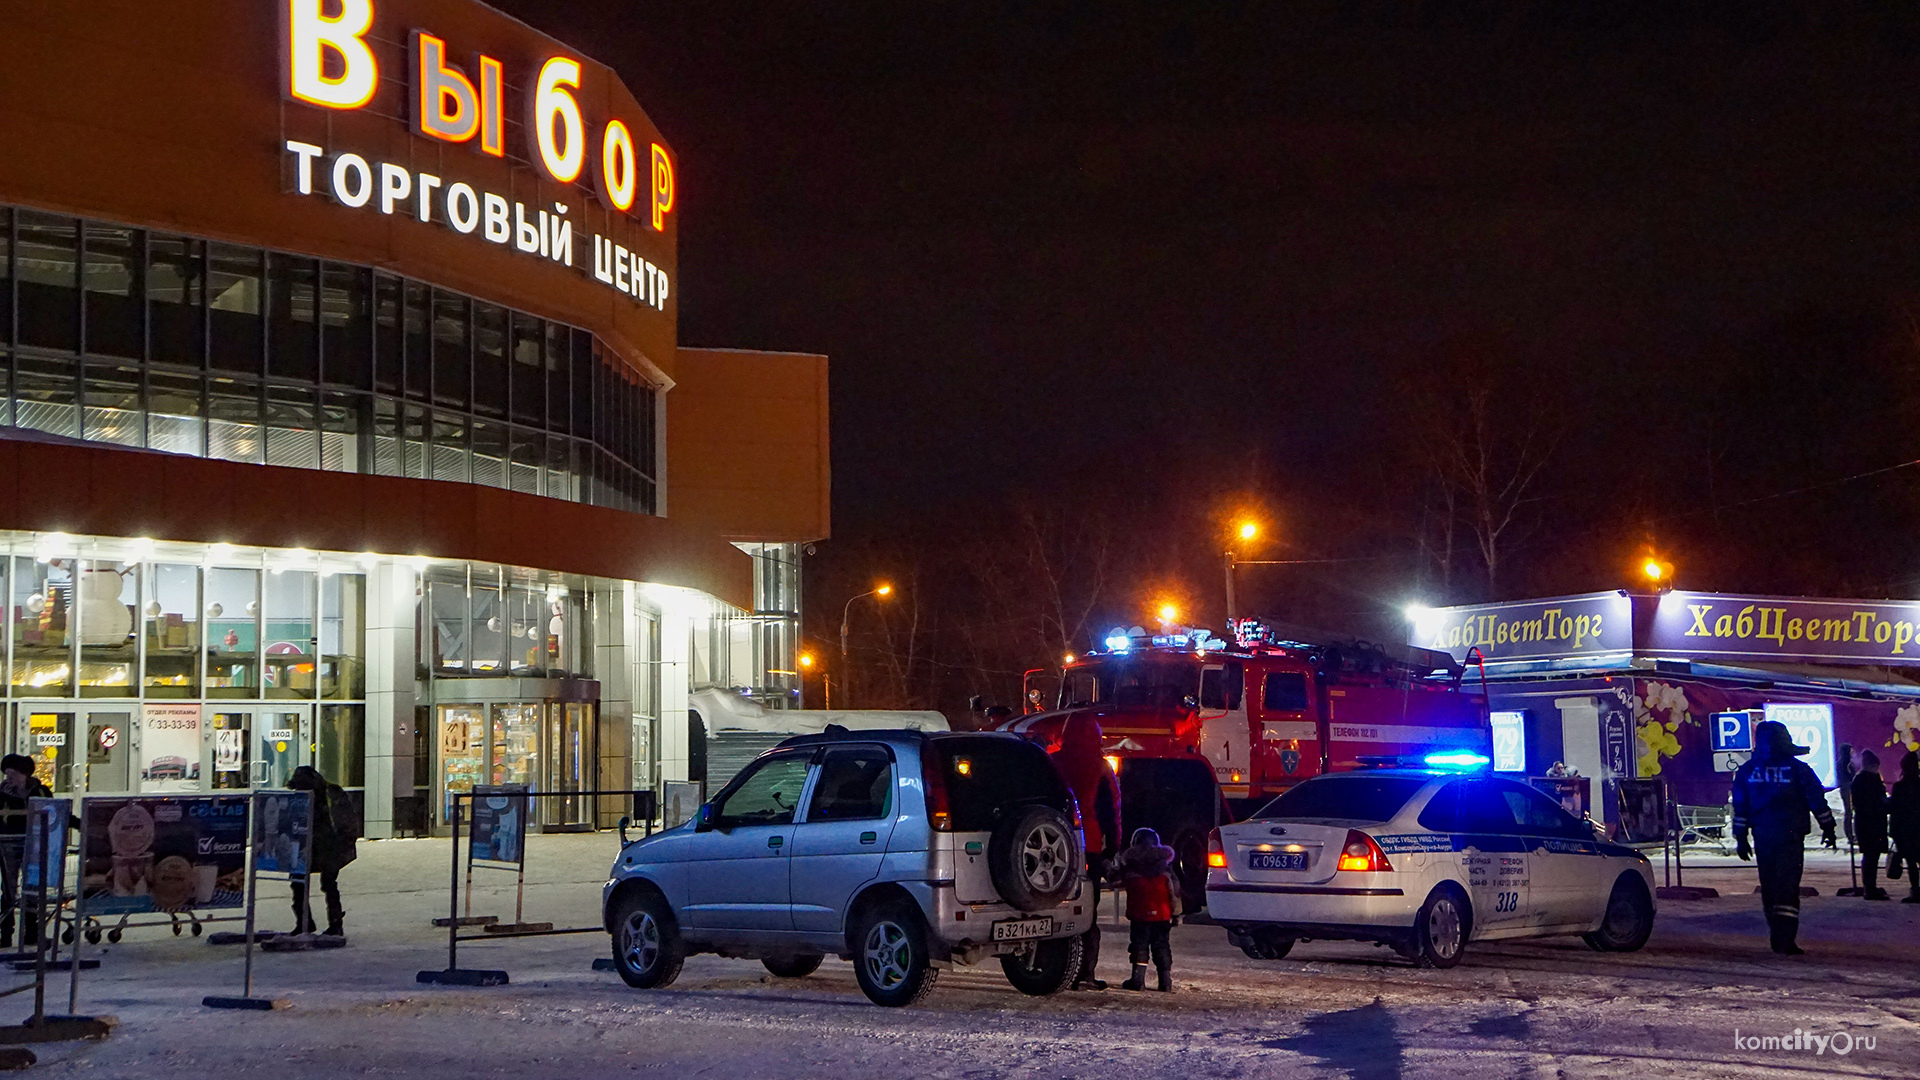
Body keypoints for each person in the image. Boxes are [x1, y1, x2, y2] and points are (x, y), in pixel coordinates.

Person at [1732, 720, 1838, 955]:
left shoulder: (1748, 771)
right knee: (1787, 887)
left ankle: (1776, 934)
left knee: (1770, 886)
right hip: (1790, 835)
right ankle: (1785, 939)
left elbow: (1740, 806)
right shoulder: (1798, 770)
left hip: (1763, 836)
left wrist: (1741, 837)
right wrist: (1828, 828)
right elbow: (1817, 801)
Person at [1048, 714, 1118, 991]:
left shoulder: (1053, 762)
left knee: (1055, 906)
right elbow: (1112, 811)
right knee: (1087, 911)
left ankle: (1055, 966)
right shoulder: (1100, 768)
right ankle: (1085, 972)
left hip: (1055, 846)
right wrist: (1112, 847)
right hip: (1089, 847)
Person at [287, 765, 360, 937]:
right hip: (312, 846)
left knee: (324, 884)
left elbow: (344, 823)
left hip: (328, 846)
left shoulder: (328, 794)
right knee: (300, 883)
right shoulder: (325, 793)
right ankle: (307, 923)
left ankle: (332, 924)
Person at [1109, 827, 1177, 992]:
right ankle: (1165, 982)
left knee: (1139, 945)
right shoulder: (1164, 868)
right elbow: (1174, 891)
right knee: (1162, 945)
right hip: (1162, 915)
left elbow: (1115, 881)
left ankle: (1138, 980)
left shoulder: (1130, 866)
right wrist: (1175, 913)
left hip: (1139, 914)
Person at [0, 755, 50, 949]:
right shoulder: (2, 793)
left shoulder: (39, 791)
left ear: (24, 774)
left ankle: (31, 932)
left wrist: (79, 824)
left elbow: (52, 813)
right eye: (6, 774)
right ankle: (6, 934)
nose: (8, 778)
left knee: (32, 889)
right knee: (9, 890)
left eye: (12, 774)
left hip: (34, 845)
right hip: (8, 845)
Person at [1850, 751, 1890, 900]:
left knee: (1869, 856)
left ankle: (1869, 887)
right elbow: (1880, 802)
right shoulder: (1872, 780)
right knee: (1872, 857)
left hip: (1863, 823)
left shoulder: (1858, 780)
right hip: (1874, 824)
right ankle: (1870, 889)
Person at [1890, 751, 1920, 904]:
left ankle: (1915, 891)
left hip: (1905, 831)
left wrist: (1893, 831)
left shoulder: (1899, 787)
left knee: (1911, 863)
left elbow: (1894, 810)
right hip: (1918, 828)